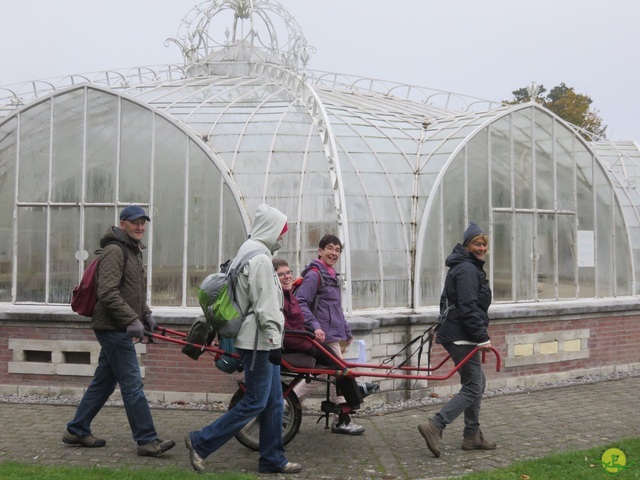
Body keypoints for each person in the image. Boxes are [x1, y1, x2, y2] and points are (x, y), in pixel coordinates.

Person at [185, 204, 301, 475]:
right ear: (270, 230)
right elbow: (266, 306)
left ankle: (272, 459)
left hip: (257, 340)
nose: (282, 238)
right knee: (256, 402)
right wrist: (274, 340)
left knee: (273, 401)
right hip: (260, 343)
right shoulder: (260, 260)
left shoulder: (246, 252)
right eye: (281, 232)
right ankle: (201, 442)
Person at [63, 205, 175, 457]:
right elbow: (107, 293)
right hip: (113, 327)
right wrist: (131, 320)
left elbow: (132, 291)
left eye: (143, 223)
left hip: (120, 325)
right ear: (122, 224)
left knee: (103, 383)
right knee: (132, 384)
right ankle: (147, 440)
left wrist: (145, 314)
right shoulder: (115, 250)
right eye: (134, 222)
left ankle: (76, 429)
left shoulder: (132, 251)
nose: (140, 227)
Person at [417, 222, 497, 457]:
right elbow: (467, 306)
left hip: (461, 333)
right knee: (474, 386)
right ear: (467, 245)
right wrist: (482, 337)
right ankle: (435, 425)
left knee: (476, 383)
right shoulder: (467, 270)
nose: (481, 248)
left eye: (484, 244)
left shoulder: (465, 267)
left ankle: (472, 435)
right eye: (477, 243)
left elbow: (450, 302)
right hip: (463, 335)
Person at [273, 258, 377, 420]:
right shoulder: (279, 298)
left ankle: (350, 402)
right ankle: (352, 400)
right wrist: (310, 339)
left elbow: (335, 310)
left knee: (337, 366)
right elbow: (286, 332)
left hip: (309, 338)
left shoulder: (290, 295)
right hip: (298, 344)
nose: (287, 277)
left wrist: (341, 331)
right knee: (336, 365)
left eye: (288, 272)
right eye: (281, 275)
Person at [293, 234, 369, 435]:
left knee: (328, 375)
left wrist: (346, 332)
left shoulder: (331, 275)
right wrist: (315, 326)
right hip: (322, 337)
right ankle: (342, 419)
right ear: (320, 251)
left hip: (333, 334)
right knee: (339, 373)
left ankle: (288, 404)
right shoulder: (314, 275)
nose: (334, 253)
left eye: (337, 250)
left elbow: (336, 308)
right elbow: (300, 302)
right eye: (330, 248)